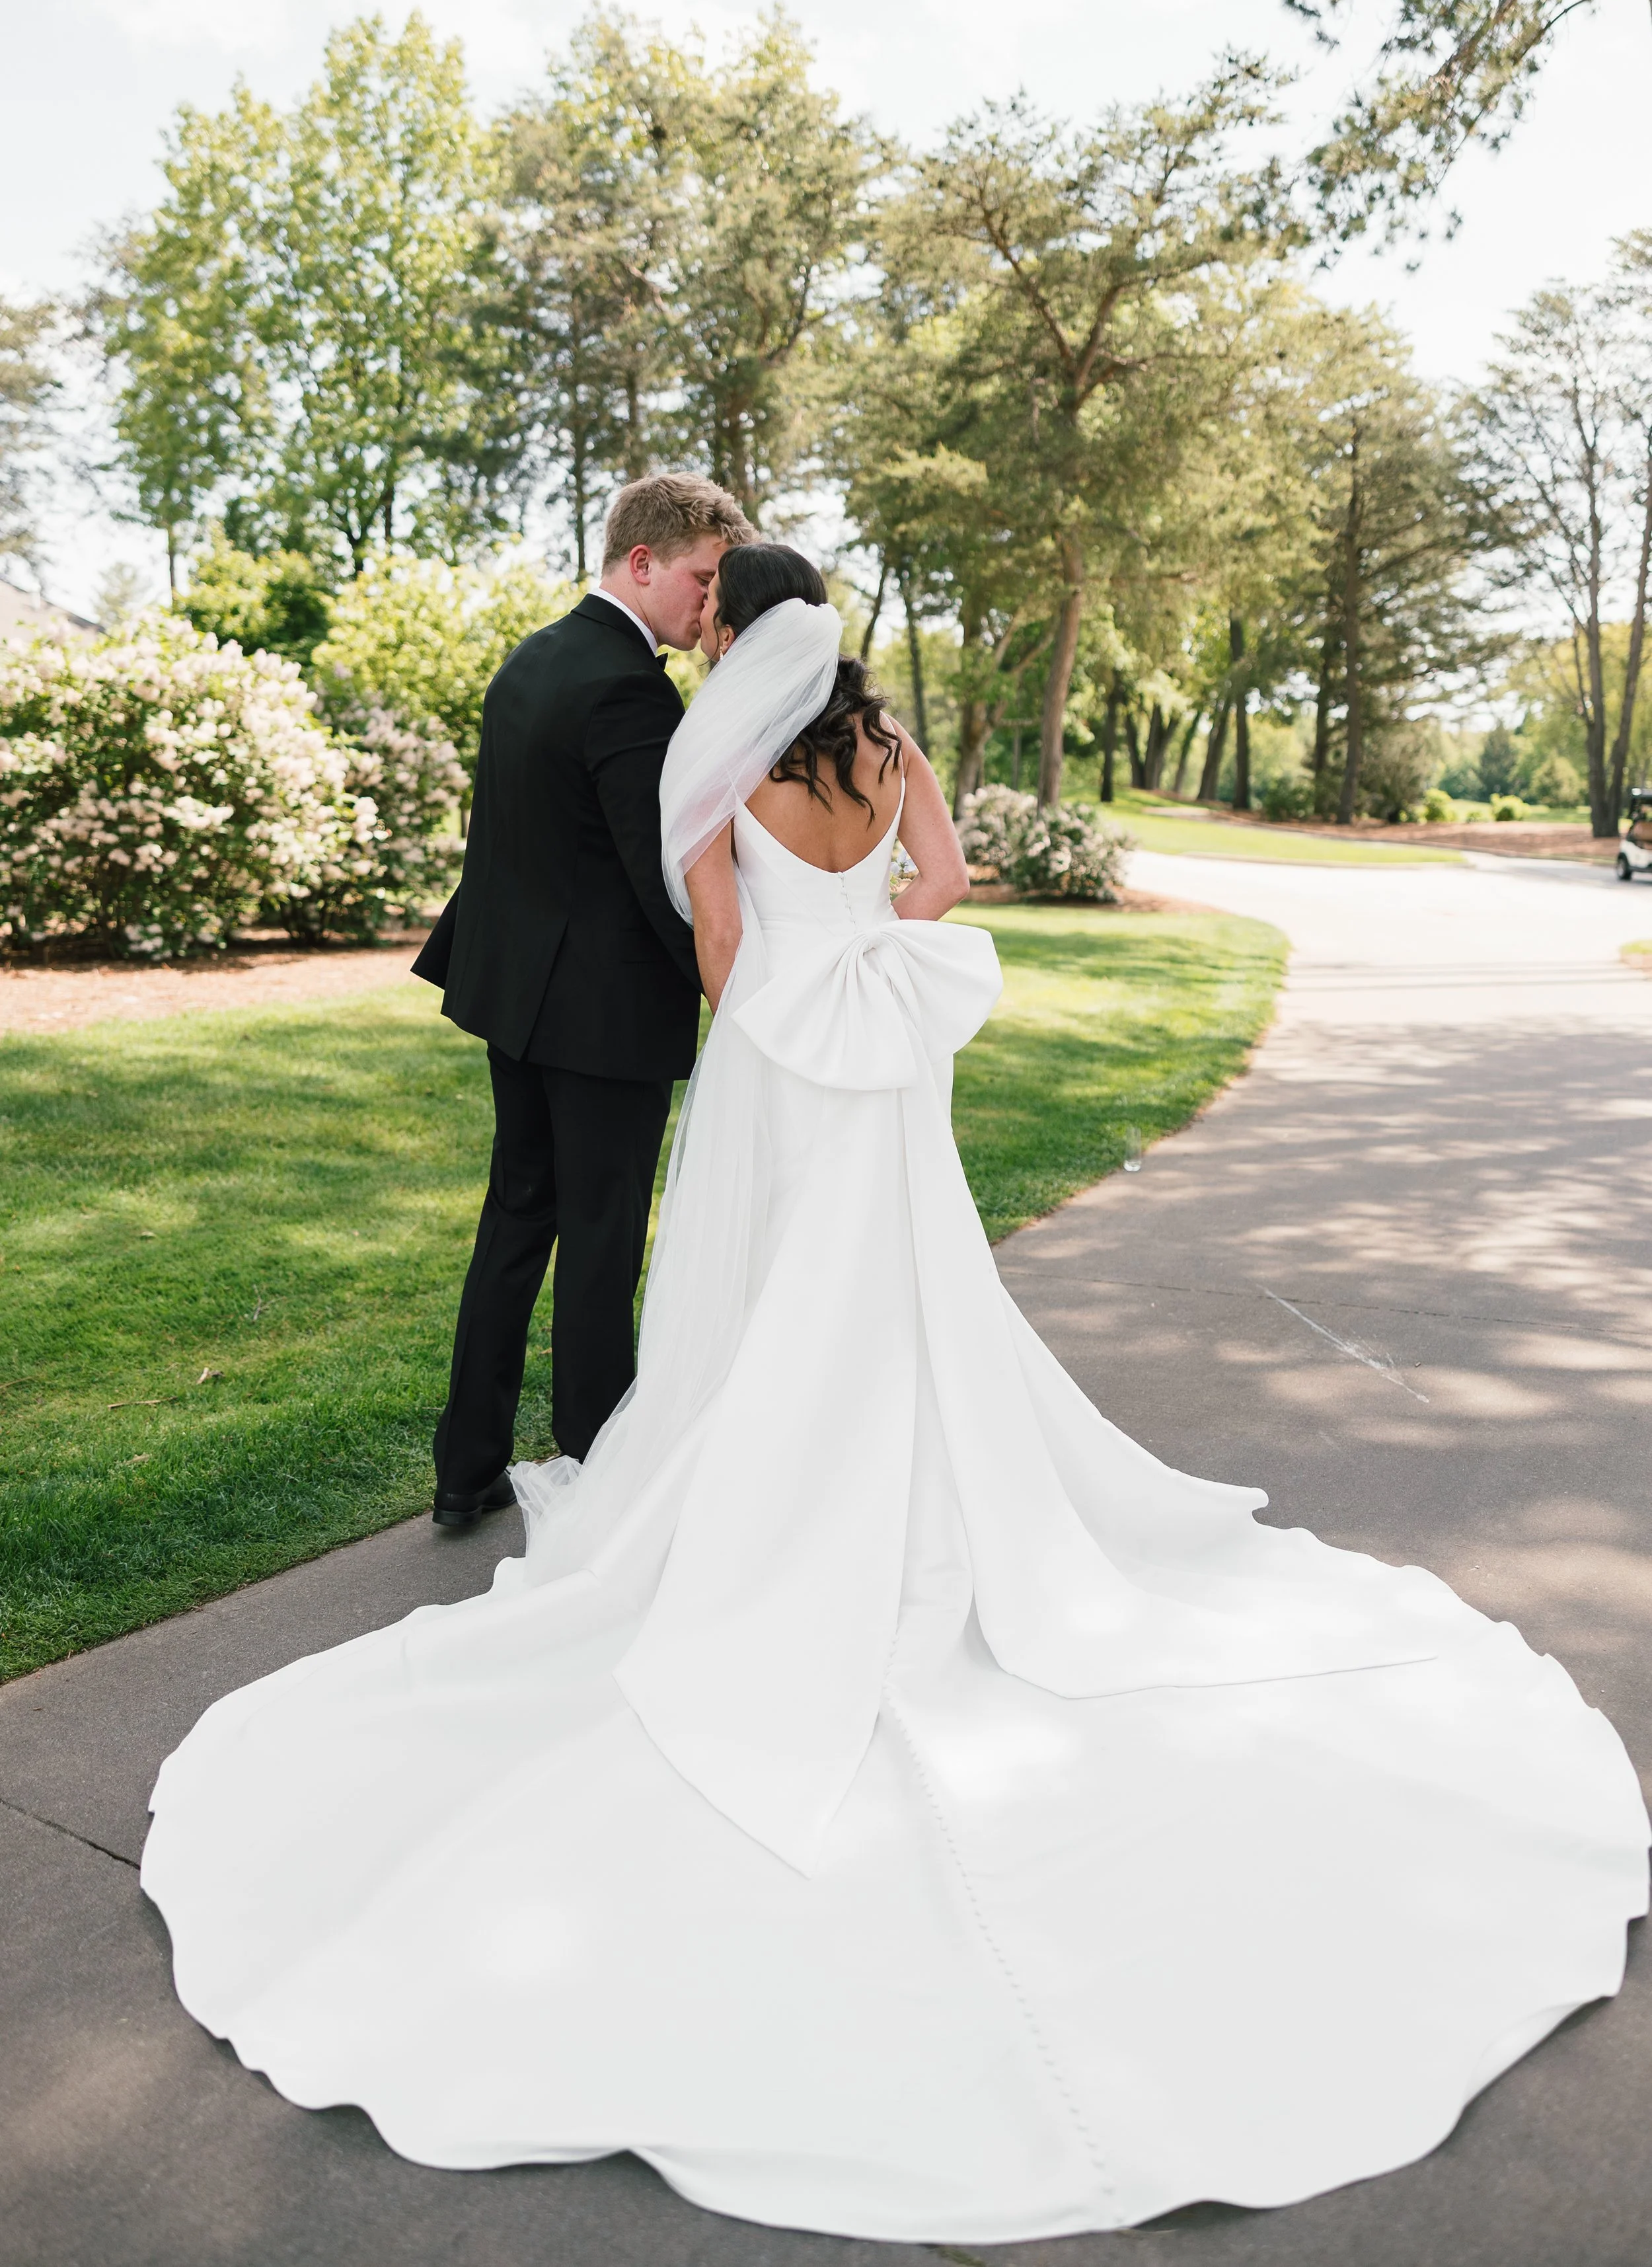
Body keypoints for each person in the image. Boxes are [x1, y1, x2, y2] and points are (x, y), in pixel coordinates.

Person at [143, 549, 1647, 2243]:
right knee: (913, 1287)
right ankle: (931, 1490)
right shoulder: (886, 750)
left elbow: (717, 947)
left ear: (736, 633)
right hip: (884, 1072)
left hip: (785, 1066)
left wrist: (785, 978)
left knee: (757, 1297)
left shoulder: (719, 757)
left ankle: (762, 1497)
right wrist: (868, 945)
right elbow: (946, 879)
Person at [411, 473, 753, 1528]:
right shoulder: (631, 686)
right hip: (602, 1017)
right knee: (602, 1244)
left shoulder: (530, 659)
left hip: (514, 998)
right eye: (700, 581)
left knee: (517, 1223)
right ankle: (600, 1480)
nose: (707, 606)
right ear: (641, 563)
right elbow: (661, 871)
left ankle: (466, 1470)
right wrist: (732, 977)